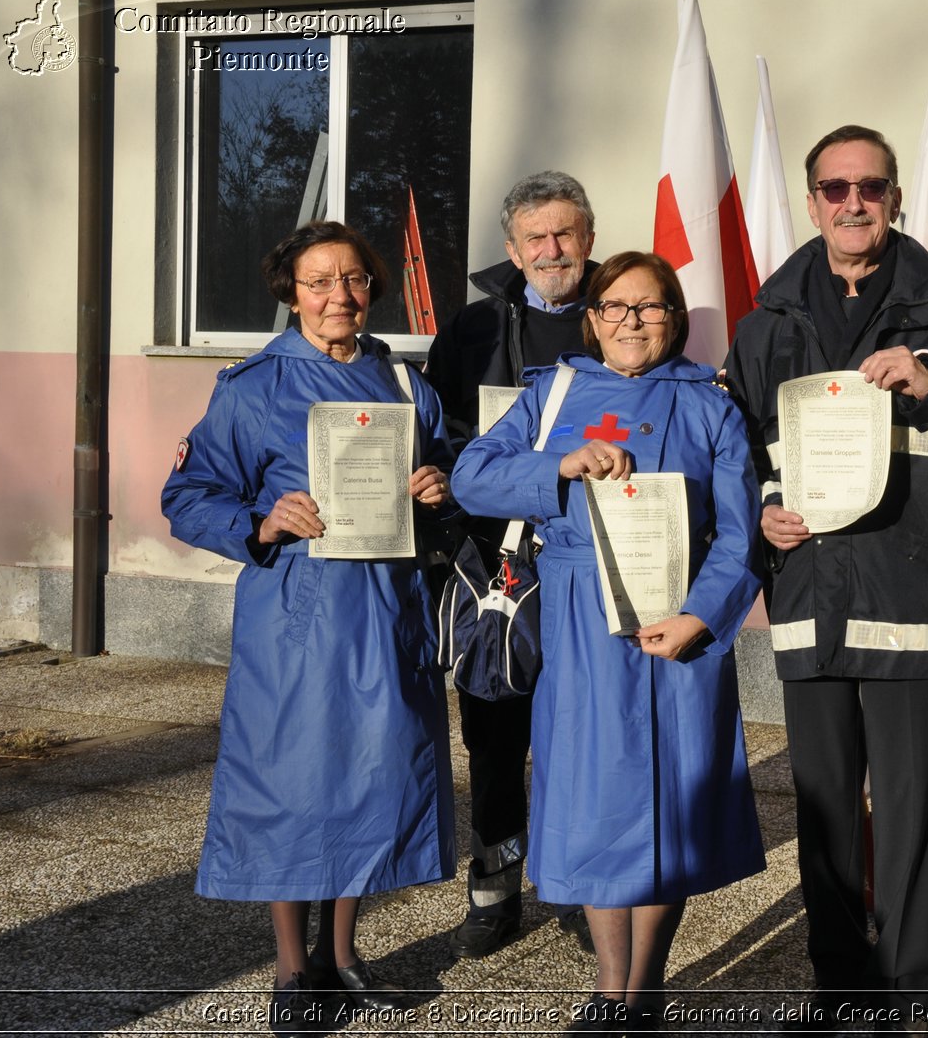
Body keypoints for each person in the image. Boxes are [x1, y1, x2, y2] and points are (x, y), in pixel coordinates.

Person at [723, 125, 928, 1028]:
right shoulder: (764, 322)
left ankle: (901, 989)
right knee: (820, 806)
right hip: (811, 589)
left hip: (914, 599)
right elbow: (735, 452)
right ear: (811, 200)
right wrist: (761, 512)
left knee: (905, 808)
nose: (852, 202)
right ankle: (837, 987)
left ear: (894, 198)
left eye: (870, 186)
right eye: (833, 188)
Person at [452, 251, 765, 1032]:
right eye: (616, 306)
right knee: (595, 804)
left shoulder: (711, 406)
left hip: (679, 632)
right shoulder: (552, 394)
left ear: (675, 317)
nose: (632, 320)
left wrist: (702, 615)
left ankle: (645, 986)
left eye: (651, 307)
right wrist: (558, 462)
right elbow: (471, 477)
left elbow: (741, 533)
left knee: (669, 809)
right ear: (591, 318)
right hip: (581, 626)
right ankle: (607, 983)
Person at [162, 221, 457, 1031]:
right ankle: (294, 969)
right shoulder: (252, 386)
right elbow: (187, 497)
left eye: (354, 279)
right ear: (290, 292)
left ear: (374, 289)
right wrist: (262, 518)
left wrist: (437, 490)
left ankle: (343, 951)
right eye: (319, 281)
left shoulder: (405, 385)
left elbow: (442, 494)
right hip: (296, 618)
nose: (339, 296)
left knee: (372, 776)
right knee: (290, 784)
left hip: (388, 612)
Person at [423, 170, 597, 958]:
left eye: (565, 233)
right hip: (492, 561)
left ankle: (580, 879)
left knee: (583, 728)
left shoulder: (619, 315)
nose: (552, 249)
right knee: (492, 733)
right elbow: (441, 433)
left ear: (588, 238)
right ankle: (494, 888)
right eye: (537, 237)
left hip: (591, 559)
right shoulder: (470, 330)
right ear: (512, 249)